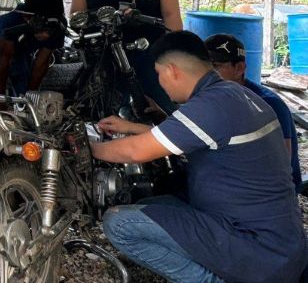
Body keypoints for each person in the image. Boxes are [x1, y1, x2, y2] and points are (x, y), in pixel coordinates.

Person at [91, 31, 307, 283]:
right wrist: (129, 127)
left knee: (119, 223)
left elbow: (136, 152)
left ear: (171, 70)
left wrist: (88, 148)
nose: (160, 82)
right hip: (280, 242)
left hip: (259, 250)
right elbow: (186, 136)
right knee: (152, 205)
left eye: (159, 74)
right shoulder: (236, 94)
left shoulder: (212, 104)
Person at [205, 33, 302, 191]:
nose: (207, 74)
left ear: (239, 68)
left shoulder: (268, 103)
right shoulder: (211, 98)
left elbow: (281, 163)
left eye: (215, 66)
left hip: (266, 192)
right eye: (203, 67)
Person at [0, 0, 66, 95]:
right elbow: (5, 57)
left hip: (20, 49)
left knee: (23, 91)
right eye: (42, 28)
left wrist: (31, 95)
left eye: (50, 29)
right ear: (27, 17)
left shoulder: (59, 26)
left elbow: (42, 63)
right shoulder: (9, 19)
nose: (46, 35)